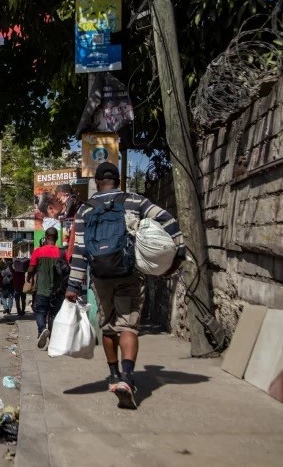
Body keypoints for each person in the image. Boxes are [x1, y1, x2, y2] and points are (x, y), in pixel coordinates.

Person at [65, 162, 185, 410]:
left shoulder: (86, 209)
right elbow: (167, 219)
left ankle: (113, 375)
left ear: (97, 182)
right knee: (128, 325)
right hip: (130, 272)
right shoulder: (135, 200)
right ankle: (128, 378)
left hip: (100, 276)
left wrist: (73, 286)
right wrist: (179, 254)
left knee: (108, 326)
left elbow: (79, 250)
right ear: (119, 181)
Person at [28, 228, 66, 350]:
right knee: (54, 315)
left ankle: (42, 329)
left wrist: (29, 277)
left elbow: (31, 269)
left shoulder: (38, 251)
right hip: (58, 290)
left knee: (40, 312)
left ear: (46, 237)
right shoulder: (62, 252)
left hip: (42, 290)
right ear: (56, 237)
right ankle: (52, 340)